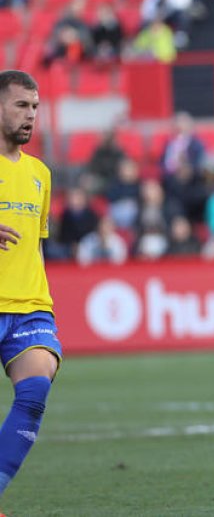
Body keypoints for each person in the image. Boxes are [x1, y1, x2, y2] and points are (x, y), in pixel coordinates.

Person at [0, 70, 60, 499]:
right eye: (21, 105)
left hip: (29, 304)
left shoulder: (40, 174)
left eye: (35, 107)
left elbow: (36, 246)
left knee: (36, 387)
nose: (31, 116)